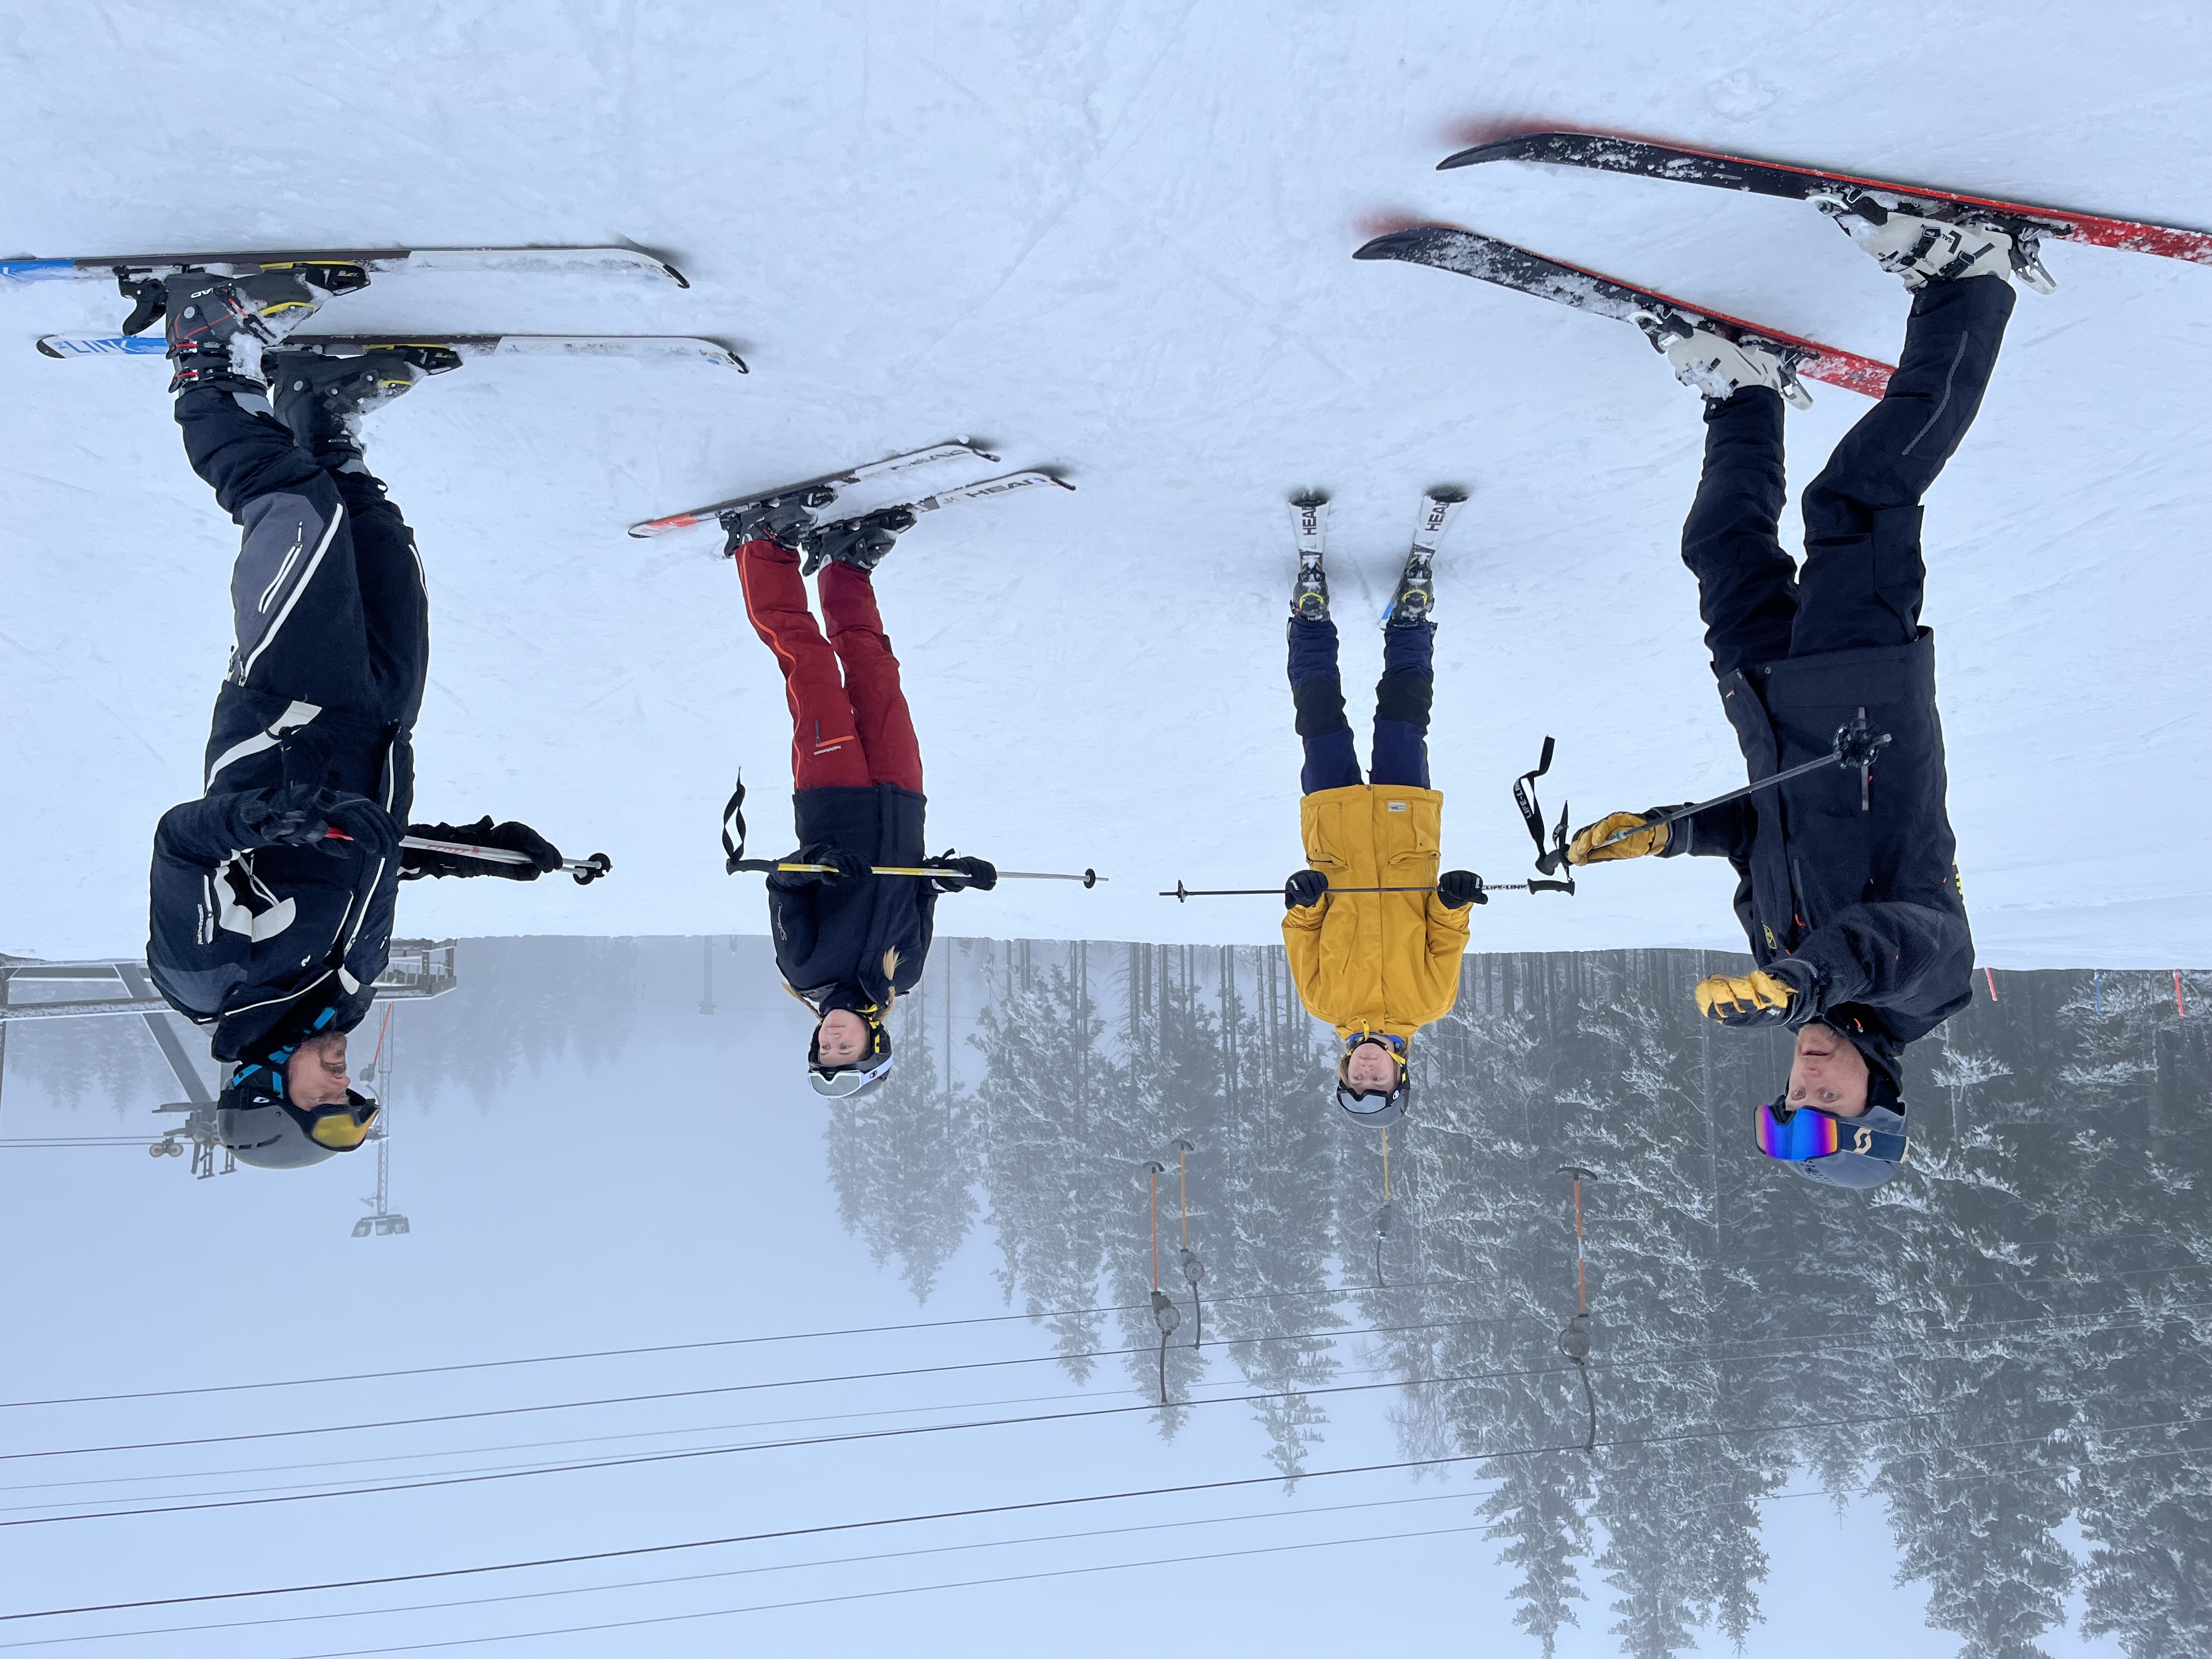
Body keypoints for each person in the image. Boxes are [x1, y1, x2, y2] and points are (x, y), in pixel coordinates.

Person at [1566, 196, 2026, 1188]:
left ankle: (1741, 393)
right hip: (1865, 695)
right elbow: (1891, 933)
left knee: (1721, 550)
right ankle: (1972, 283)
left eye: (1792, 1094)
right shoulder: (1925, 987)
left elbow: (1763, 834)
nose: (1807, 1075)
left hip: (1770, 707)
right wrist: (1806, 974)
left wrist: (1666, 832)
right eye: (1829, 1098)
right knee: (1857, 498)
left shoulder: (1783, 968)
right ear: (1880, 1094)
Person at [137, 267, 569, 1170]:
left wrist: (259, 816)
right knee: (381, 546)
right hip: (377, 728)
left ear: (261, 1091)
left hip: (288, 712)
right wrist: (478, 852)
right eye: (353, 1089)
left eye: (325, 1094)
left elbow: (182, 845)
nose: (344, 1073)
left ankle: (203, 355)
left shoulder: (214, 982)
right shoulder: (348, 988)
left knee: (294, 512)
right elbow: (362, 845)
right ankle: (319, 405)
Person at [723, 496, 996, 1098]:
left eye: (825, 1048)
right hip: (902, 801)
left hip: (834, 800)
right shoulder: (906, 972)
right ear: (876, 1043)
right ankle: (844, 566)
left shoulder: (805, 970)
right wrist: (955, 875)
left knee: (811, 666)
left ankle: (759, 549)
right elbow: (919, 886)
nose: (834, 1039)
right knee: (877, 674)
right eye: (846, 1051)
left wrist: (818, 863)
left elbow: (783, 885)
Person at [1280, 518, 1485, 1127]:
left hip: (1335, 840)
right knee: (1402, 717)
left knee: (1319, 718)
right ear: (1401, 1073)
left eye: (1356, 1081)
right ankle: (1411, 622)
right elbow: (1446, 934)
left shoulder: (1323, 1001)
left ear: (1344, 1070)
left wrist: (1306, 899)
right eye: (1380, 1082)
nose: (1368, 1073)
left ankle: (1309, 621)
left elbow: (1302, 931)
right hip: (1404, 842)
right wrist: (1453, 900)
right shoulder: (1430, 1001)